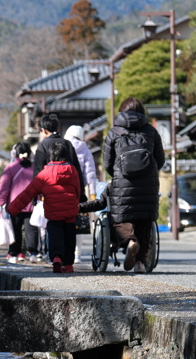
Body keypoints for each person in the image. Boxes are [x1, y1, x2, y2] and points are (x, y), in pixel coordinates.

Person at [103, 97, 165, 272]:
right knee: (145, 220)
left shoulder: (114, 133)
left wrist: (118, 175)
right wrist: (149, 173)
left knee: (120, 218)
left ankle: (130, 241)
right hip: (148, 184)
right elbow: (160, 159)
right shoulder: (151, 131)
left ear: (122, 112)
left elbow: (107, 163)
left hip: (123, 183)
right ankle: (139, 263)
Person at [8, 139, 82, 273]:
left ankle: (56, 258)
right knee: (69, 237)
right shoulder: (73, 170)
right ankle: (69, 264)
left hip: (53, 213)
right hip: (70, 211)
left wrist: (13, 209)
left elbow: (27, 193)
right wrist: (76, 203)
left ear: (50, 156)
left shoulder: (44, 174)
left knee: (55, 235)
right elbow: (78, 189)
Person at [0, 141, 40, 263]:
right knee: (32, 229)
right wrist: (40, 200)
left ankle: (14, 254)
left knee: (15, 229)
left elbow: (4, 187)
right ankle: (33, 253)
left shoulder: (10, 168)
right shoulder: (35, 167)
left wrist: (0, 202)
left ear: (15, 153)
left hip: (15, 204)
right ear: (30, 153)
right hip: (31, 203)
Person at [63, 125, 98, 199]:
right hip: (79, 186)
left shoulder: (62, 147)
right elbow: (90, 173)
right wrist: (93, 193)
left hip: (62, 185)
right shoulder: (85, 150)